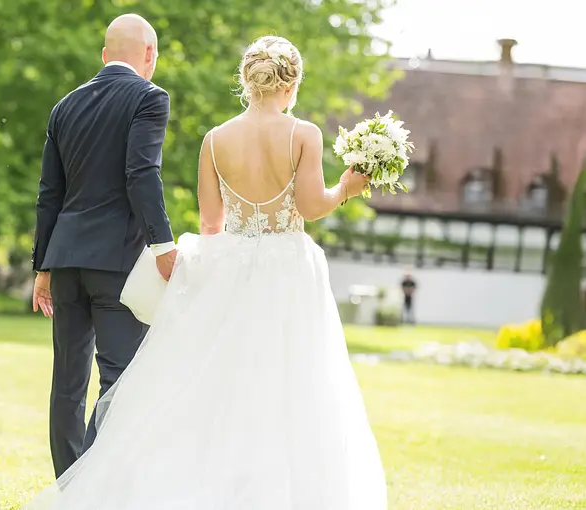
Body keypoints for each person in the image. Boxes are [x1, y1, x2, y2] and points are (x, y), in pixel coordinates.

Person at [25, 35, 386, 509]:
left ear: (246, 79)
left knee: (221, 384)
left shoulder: (215, 140)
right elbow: (313, 207)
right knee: (293, 382)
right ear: (291, 82)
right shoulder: (304, 134)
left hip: (231, 271)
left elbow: (211, 226)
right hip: (289, 274)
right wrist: (347, 186)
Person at [30, 14, 177, 479]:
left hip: (65, 259)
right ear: (150, 55)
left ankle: (68, 487)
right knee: (120, 381)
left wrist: (42, 267)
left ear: (104, 54)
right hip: (115, 262)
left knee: (67, 385)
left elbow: (48, 193)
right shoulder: (150, 98)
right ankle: (91, 486)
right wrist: (163, 247)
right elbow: (141, 174)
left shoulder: (64, 106)